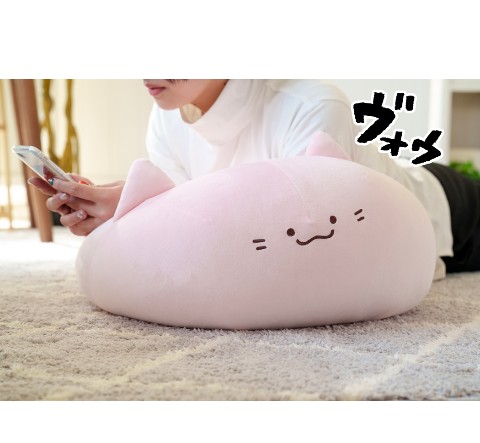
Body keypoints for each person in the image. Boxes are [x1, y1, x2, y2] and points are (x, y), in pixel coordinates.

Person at [29, 79, 480, 276]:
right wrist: (123, 207)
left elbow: (305, 242)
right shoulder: (166, 116)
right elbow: (185, 218)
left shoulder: (311, 106)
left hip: (445, 211)